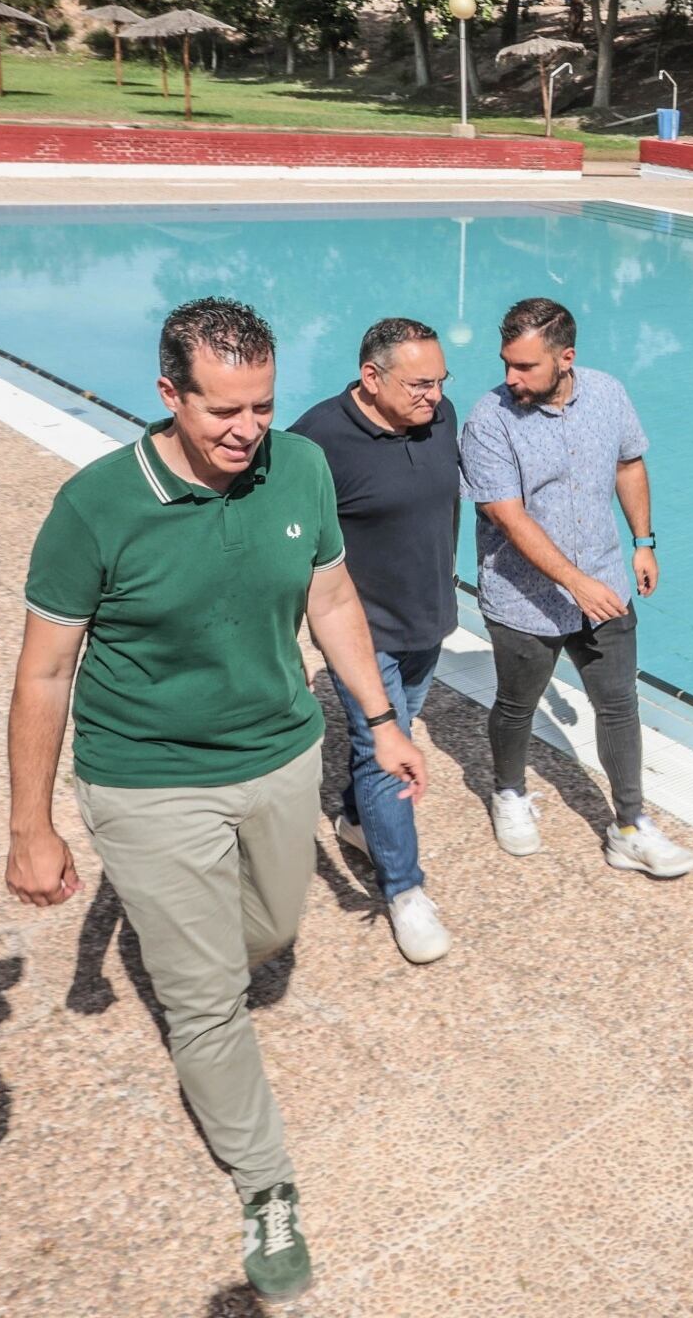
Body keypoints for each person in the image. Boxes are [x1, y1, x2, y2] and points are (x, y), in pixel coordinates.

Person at [6, 298, 427, 1303]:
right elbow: (43, 675)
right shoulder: (96, 507)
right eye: (222, 411)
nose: (246, 432)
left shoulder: (302, 468)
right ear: (169, 395)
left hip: (279, 752)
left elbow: (330, 600)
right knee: (204, 998)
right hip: (146, 777)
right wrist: (31, 828)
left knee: (271, 932)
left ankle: (204, 967)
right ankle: (265, 1181)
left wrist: (380, 719)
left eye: (262, 408)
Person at [461, 297, 693, 877]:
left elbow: (629, 464)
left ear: (565, 359)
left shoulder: (609, 394)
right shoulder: (487, 421)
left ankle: (629, 827)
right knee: (517, 705)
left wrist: (644, 541)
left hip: (605, 584)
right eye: (506, 364)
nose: (511, 379)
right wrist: (575, 583)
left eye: (525, 368)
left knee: (618, 705)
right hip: (523, 597)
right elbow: (508, 516)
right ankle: (508, 791)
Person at [289, 317, 459, 964]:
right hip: (363, 634)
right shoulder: (318, 442)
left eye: (441, 382)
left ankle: (356, 822)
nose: (434, 397)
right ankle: (405, 891)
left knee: (396, 734)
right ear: (370, 377)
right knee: (382, 749)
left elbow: (443, 509)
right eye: (419, 384)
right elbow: (283, 541)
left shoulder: (439, 420)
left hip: (429, 619)